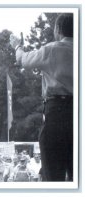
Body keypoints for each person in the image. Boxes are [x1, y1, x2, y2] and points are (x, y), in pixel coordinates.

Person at [10, 13, 73, 181]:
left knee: (53, 176)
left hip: (57, 115)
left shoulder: (52, 49)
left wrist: (17, 46)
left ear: (58, 29)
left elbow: (23, 60)